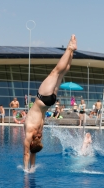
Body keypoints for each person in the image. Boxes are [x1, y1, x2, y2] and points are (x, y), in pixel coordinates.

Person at [23, 34, 77, 171]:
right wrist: (29, 168)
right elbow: (29, 152)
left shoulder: (34, 133)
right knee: (55, 72)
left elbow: (29, 152)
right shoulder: (32, 134)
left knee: (61, 73)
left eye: (39, 139)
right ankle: (70, 49)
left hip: (49, 102)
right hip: (42, 99)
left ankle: (71, 51)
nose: (40, 137)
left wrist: (28, 169)